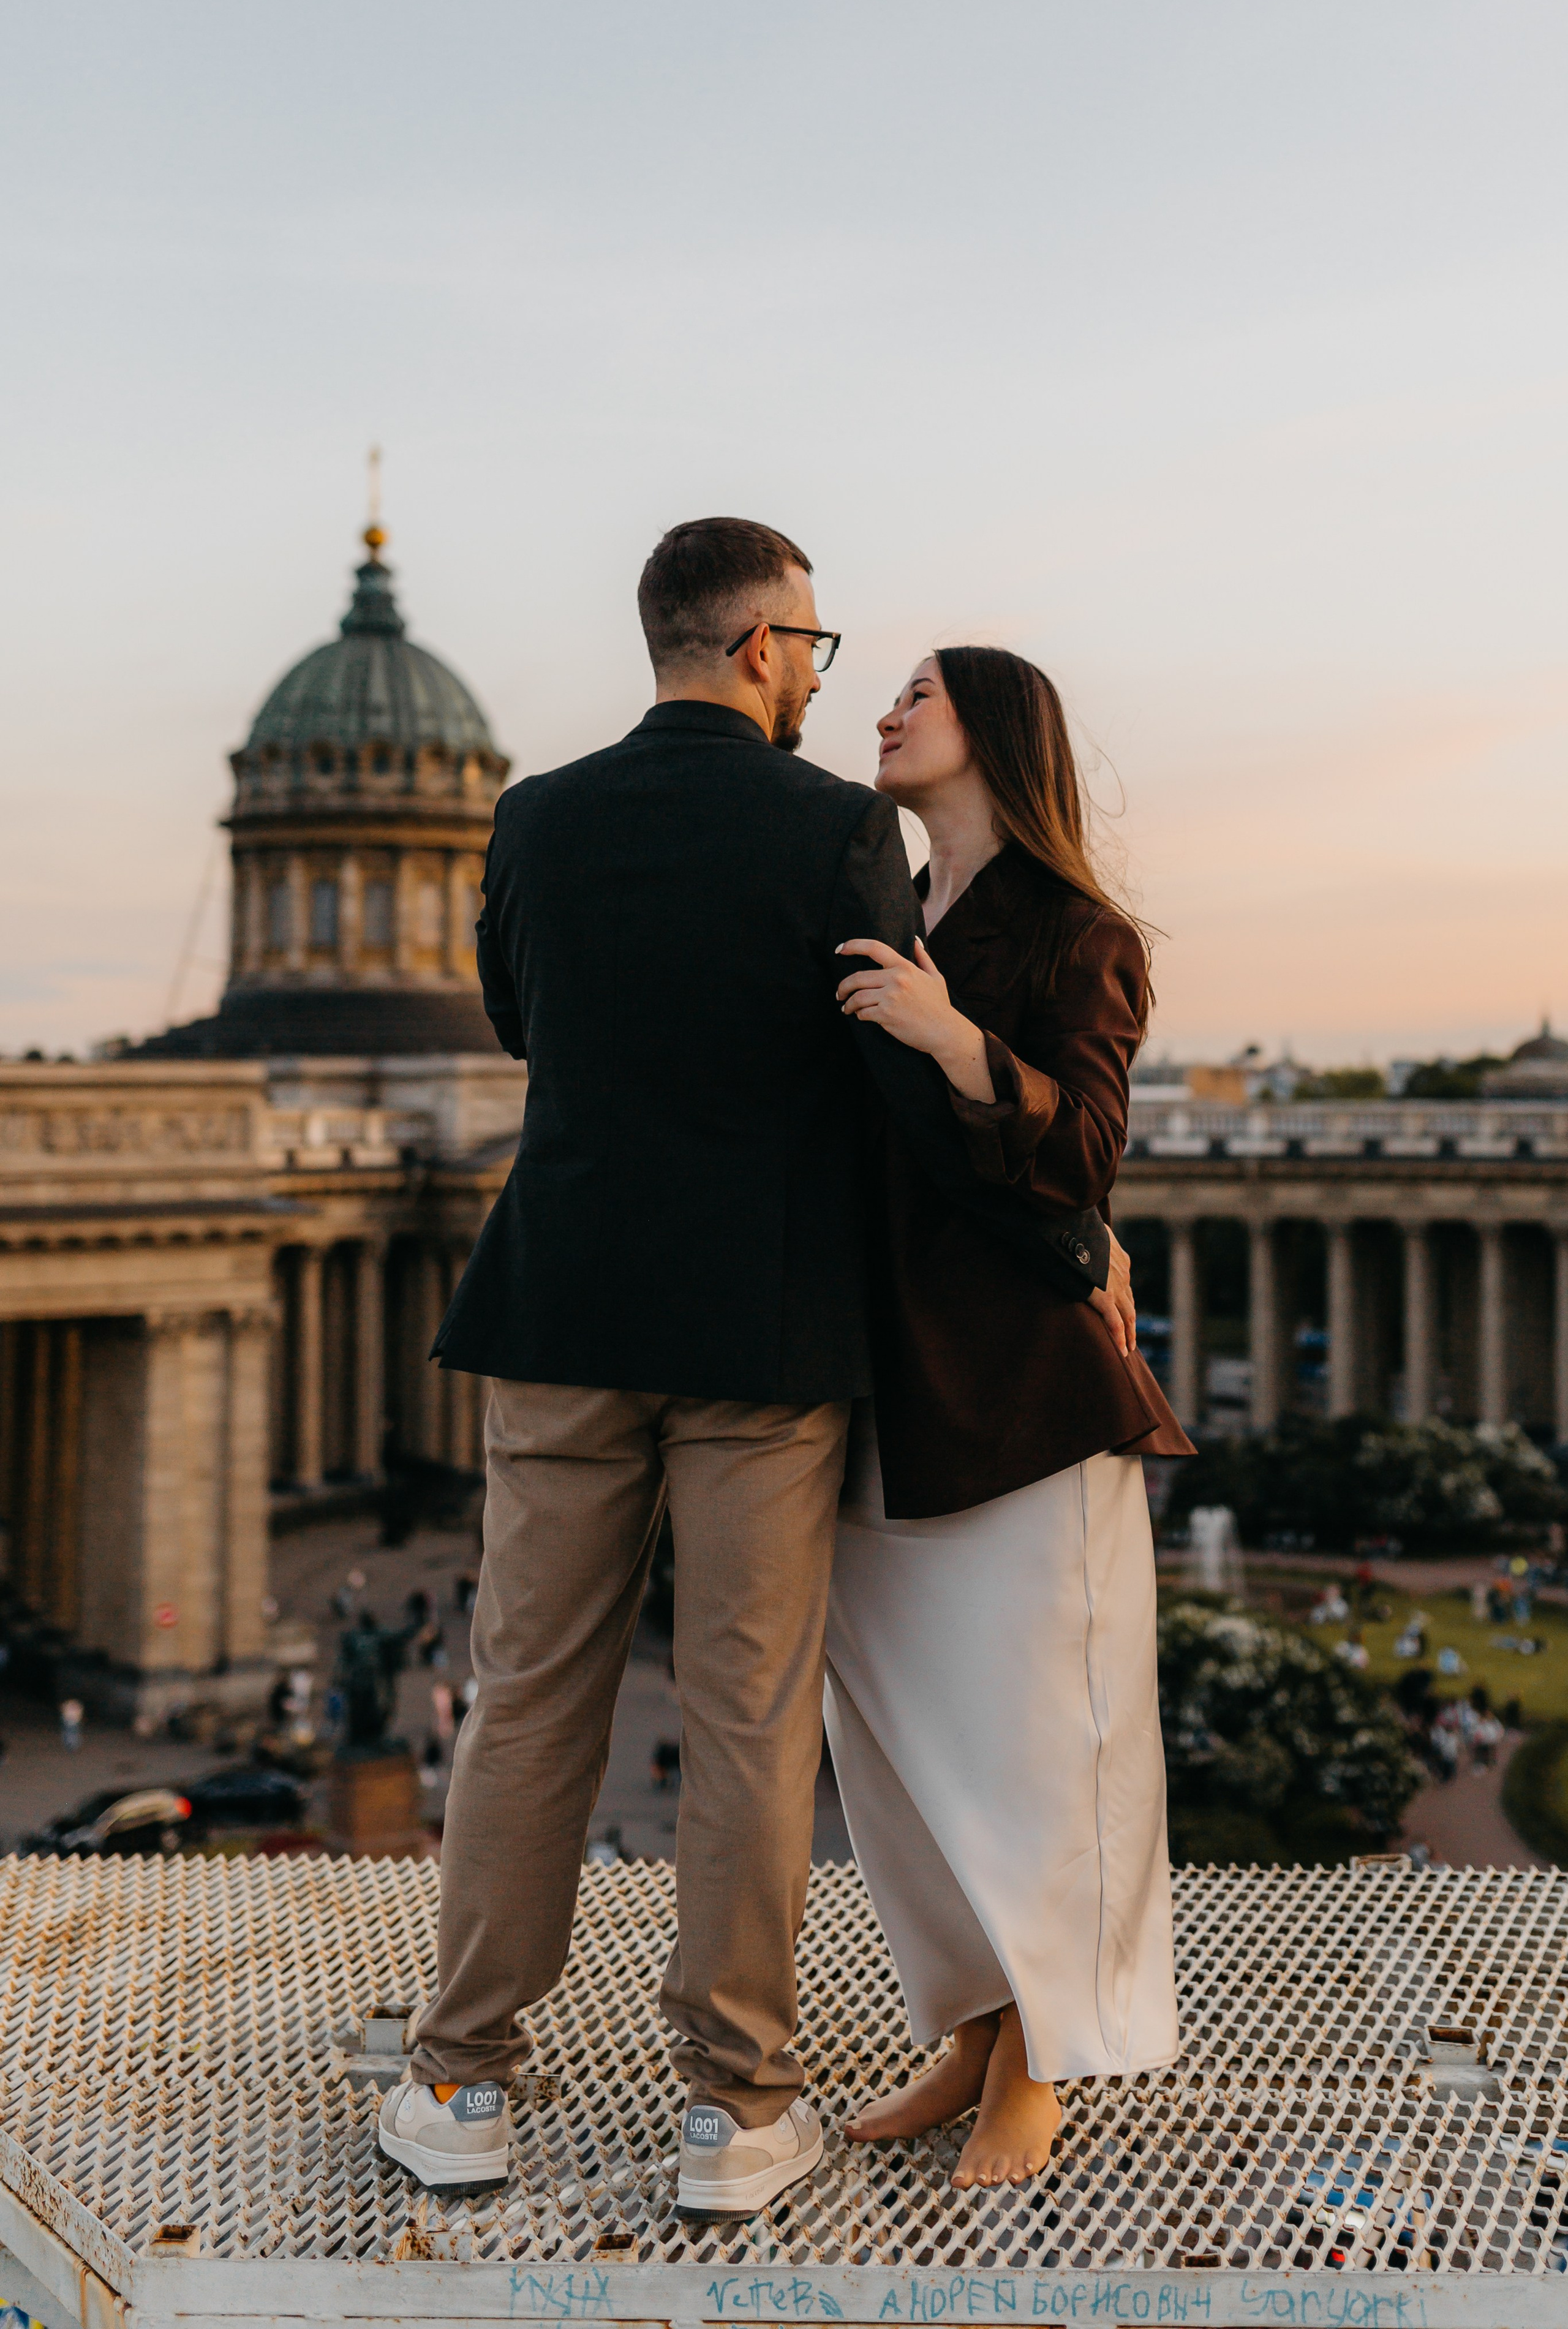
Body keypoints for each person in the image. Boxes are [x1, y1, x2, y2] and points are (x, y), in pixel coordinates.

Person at [377, 521, 1123, 2211]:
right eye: (814, 646)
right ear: (761, 645)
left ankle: (460, 2078)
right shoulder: (838, 830)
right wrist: (1076, 1246)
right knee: (746, 1719)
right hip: (763, 1334)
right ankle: (735, 2106)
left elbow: (524, 1025)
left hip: (559, 1315)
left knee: (525, 1698)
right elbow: (892, 1091)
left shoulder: (533, 819)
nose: (818, 674)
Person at [823, 646, 1191, 2188]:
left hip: (1020, 1387)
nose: (887, 710)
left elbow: (1086, 1155)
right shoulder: (876, 908)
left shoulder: (1075, 931)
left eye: (921, 690)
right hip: (871, 1375)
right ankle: (972, 2025)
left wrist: (947, 1036)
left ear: (996, 731)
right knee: (902, 1742)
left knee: (1045, 1732)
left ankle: (1046, 2052)